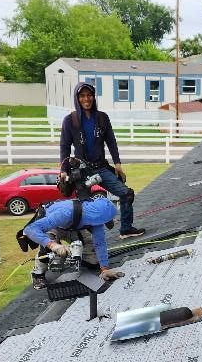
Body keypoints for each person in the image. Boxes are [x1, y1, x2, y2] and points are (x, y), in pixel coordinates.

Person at [59, 82, 145, 239]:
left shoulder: (102, 118)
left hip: (101, 168)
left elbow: (111, 141)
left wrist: (117, 164)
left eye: (89, 95)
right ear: (77, 98)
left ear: (93, 97)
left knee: (126, 194)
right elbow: (64, 147)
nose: (87, 99)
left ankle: (126, 229)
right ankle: (89, 242)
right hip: (82, 172)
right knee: (85, 208)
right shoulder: (70, 121)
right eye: (82, 96)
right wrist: (63, 170)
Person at [23, 196, 126, 289]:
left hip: (74, 227)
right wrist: (53, 245)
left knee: (94, 263)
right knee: (47, 248)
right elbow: (30, 229)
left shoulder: (97, 219)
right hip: (54, 226)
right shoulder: (65, 212)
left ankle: (74, 257)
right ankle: (38, 274)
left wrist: (104, 269)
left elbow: (100, 243)